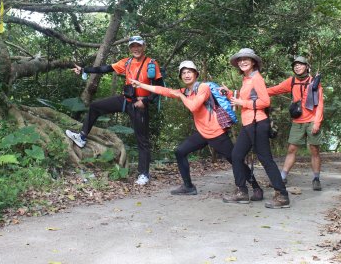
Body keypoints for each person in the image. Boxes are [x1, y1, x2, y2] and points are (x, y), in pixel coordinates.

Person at [130, 60, 263, 198]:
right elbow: (163, 90)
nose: (186, 75)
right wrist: (141, 84)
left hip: (216, 132)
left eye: (189, 72)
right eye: (183, 73)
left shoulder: (203, 87)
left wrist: (181, 96)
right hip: (202, 133)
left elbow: (193, 106)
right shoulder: (186, 91)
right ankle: (188, 186)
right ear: (181, 77)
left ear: (195, 74)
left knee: (235, 160)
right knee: (180, 151)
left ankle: (256, 188)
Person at [65, 35, 164, 186]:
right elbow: (106, 68)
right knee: (95, 106)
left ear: (144, 47)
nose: (135, 49)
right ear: (130, 48)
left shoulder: (151, 64)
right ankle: (82, 137)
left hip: (140, 104)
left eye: (138, 46)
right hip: (126, 99)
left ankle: (144, 174)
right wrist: (85, 69)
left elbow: (159, 88)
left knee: (142, 141)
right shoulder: (127, 62)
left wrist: (146, 101)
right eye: (133, 46)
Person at [222, 48, 290, 209]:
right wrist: (228, 94)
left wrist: (242, 103)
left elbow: (265, 101)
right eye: (240, 60)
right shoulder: (247, 79)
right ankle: (242, 192)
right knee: (236, 155)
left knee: (265, 159)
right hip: (248, 124)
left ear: (253, 62)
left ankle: (282, 195)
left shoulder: (256, 78)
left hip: (258, 123)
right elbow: (244, 99)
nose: (243, 62)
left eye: (246, 59)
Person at [267, 56, 324, 191]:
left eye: (300, 64)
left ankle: (316, 178)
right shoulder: (291, 81)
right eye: (295, 65)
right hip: (297, 121)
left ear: (306, 66)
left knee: (314, 150)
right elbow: (275, 90)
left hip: (312, 120)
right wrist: (257, 92)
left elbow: (320, 103)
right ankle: (282, 177)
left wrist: (317, 122)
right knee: (291, 149)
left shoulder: (314, 82)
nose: (297, 67)